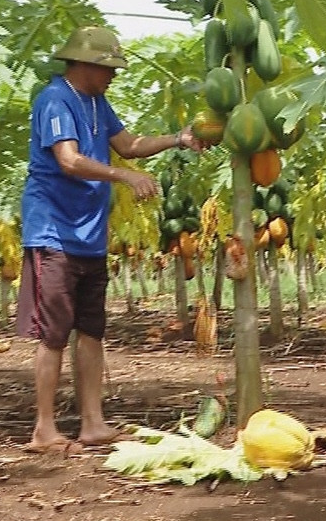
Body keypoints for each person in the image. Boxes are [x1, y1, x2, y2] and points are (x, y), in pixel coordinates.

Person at [17, 26, 200, 455]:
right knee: (54, 335)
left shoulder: (98, 102)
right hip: (53, 233)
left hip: (89, 237)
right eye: (107, 68)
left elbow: (130, 145)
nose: (113, 75)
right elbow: (69, 160)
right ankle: (44, 429)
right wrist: (122, 175)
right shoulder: (55, 99)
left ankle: (93, 423)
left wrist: (179, 138)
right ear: (84, 65)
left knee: (92, 332)